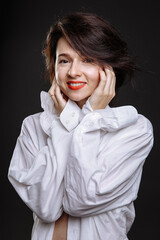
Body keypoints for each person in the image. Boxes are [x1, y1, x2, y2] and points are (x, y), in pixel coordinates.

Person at [8, 12, 153, 240]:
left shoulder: (135, 129)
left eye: (88, 59)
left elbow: (81, 200)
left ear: (108, 68)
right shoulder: (33, 126)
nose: (74, 71)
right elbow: (46, 207)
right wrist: (64, 122)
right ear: (54, 67)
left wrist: (91, 118)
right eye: (64, 60)